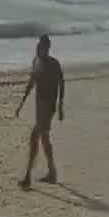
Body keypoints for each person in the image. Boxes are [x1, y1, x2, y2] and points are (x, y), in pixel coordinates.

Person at [14, 34, 65, 189]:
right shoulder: (36, 61)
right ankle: (52, 173)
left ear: (47, 48)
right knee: (44, 139)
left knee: (34, 137)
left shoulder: (53, 64)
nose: (39, 49)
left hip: (48, 106)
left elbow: (62, 84)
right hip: (39, 105)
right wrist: (21, 103)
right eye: (38, 46)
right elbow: (31, 82)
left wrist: (60, 106)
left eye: (42, 47)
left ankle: (27, 177)